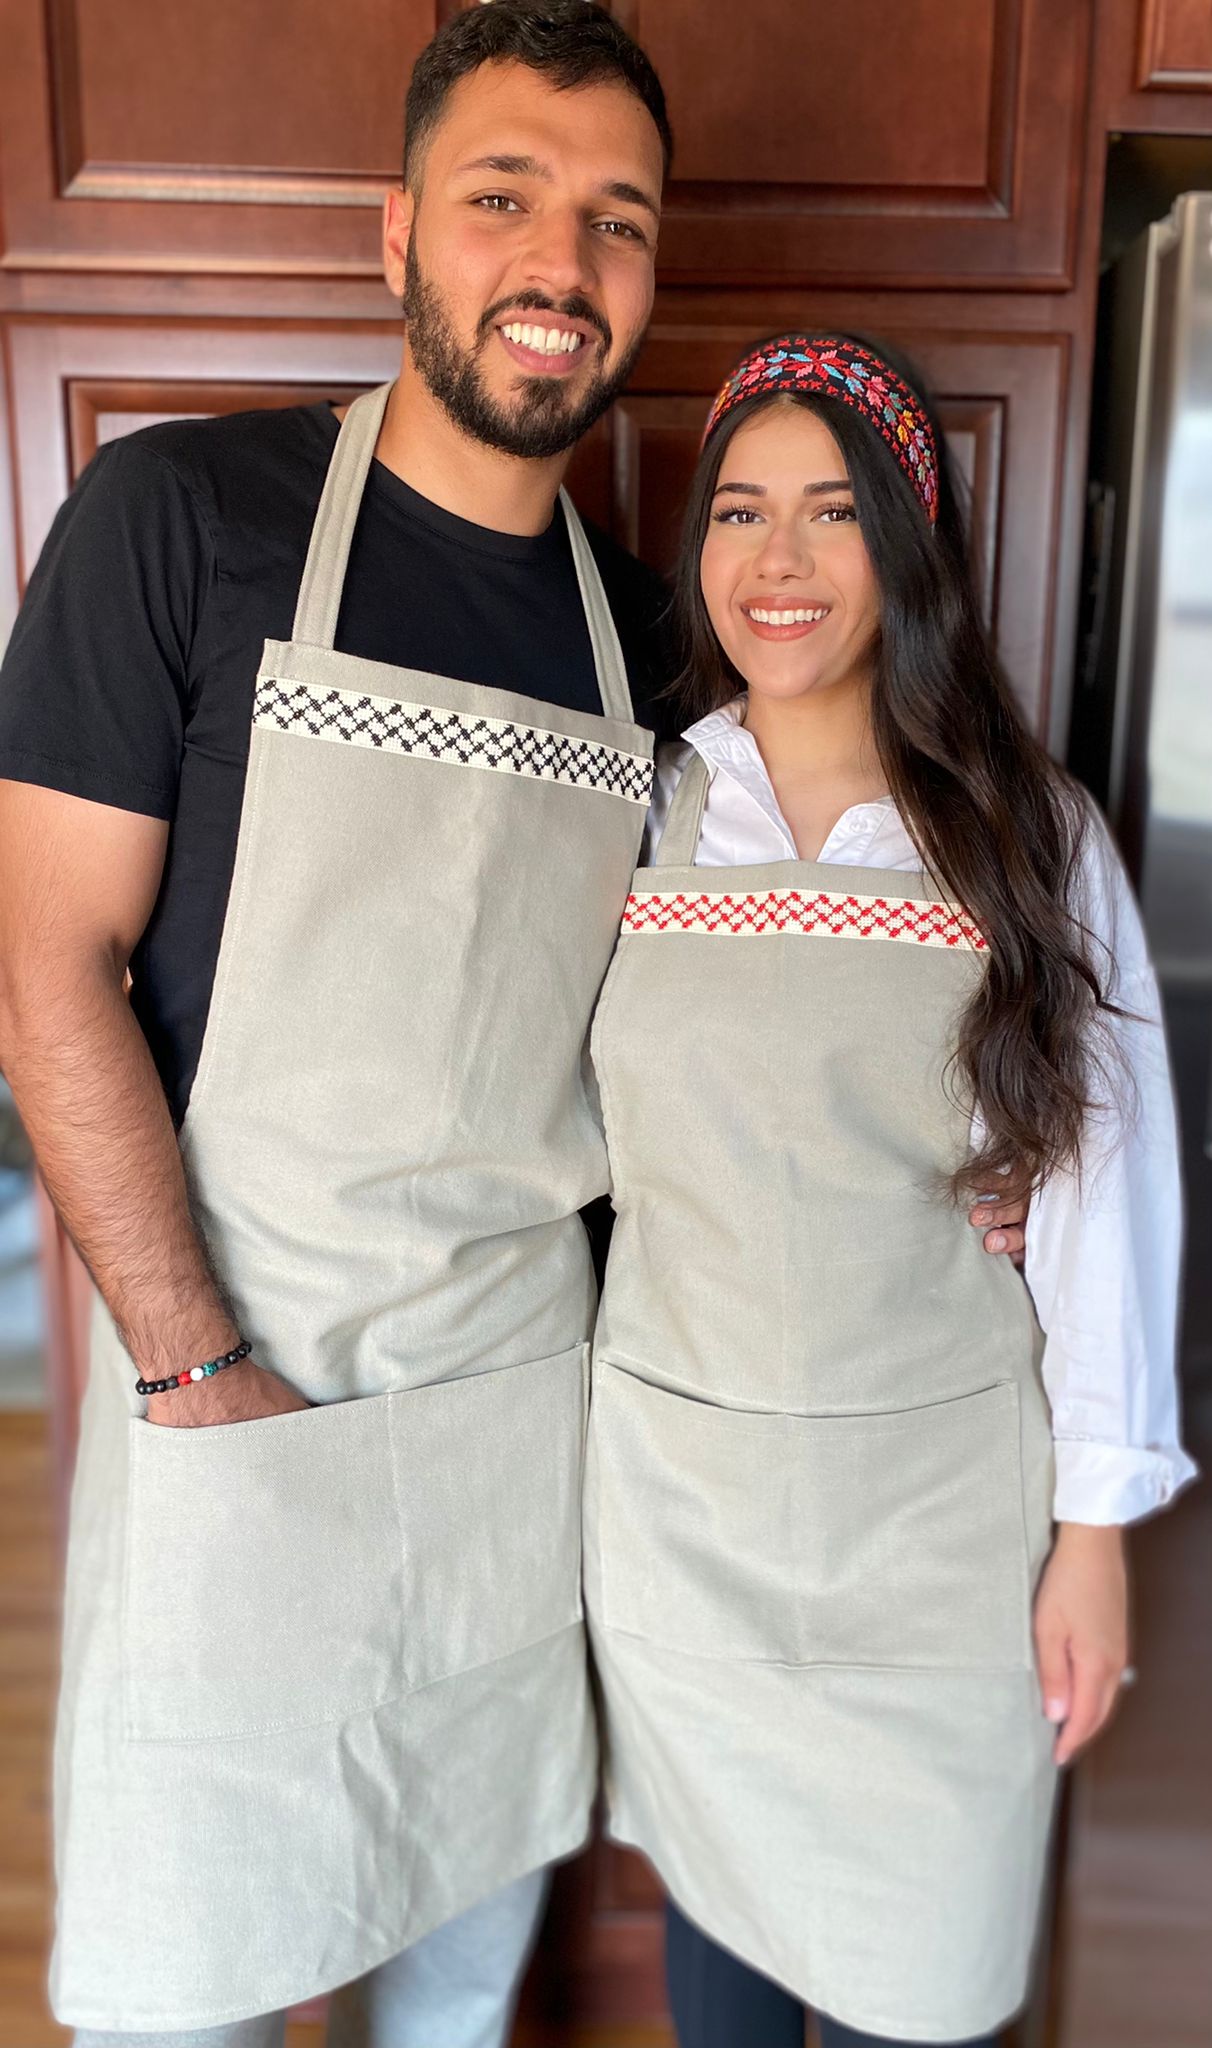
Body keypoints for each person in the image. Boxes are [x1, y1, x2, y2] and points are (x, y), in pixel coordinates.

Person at [0, 6, 671, 2042]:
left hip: (512, 1435)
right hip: (235, 1386)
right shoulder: (179, 520)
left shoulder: (646, 634)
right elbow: (44, 970)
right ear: (399, 237)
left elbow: (687, 1036)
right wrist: (195, 1365)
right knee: (177, 1981)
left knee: (456, 1985)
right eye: (503, 198)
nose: (560, 263)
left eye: (616, 220)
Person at [582, 333, 1196, 2048]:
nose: (777, 562)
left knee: (919, 1992)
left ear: (909, 545)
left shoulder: (1025, 833)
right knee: (717, 1975)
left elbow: (1105, 1205)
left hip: (936, 1536)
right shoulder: (637, 810)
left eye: (835, 512)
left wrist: (1093, 1544)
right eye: (742, 511)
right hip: (681, 1512)